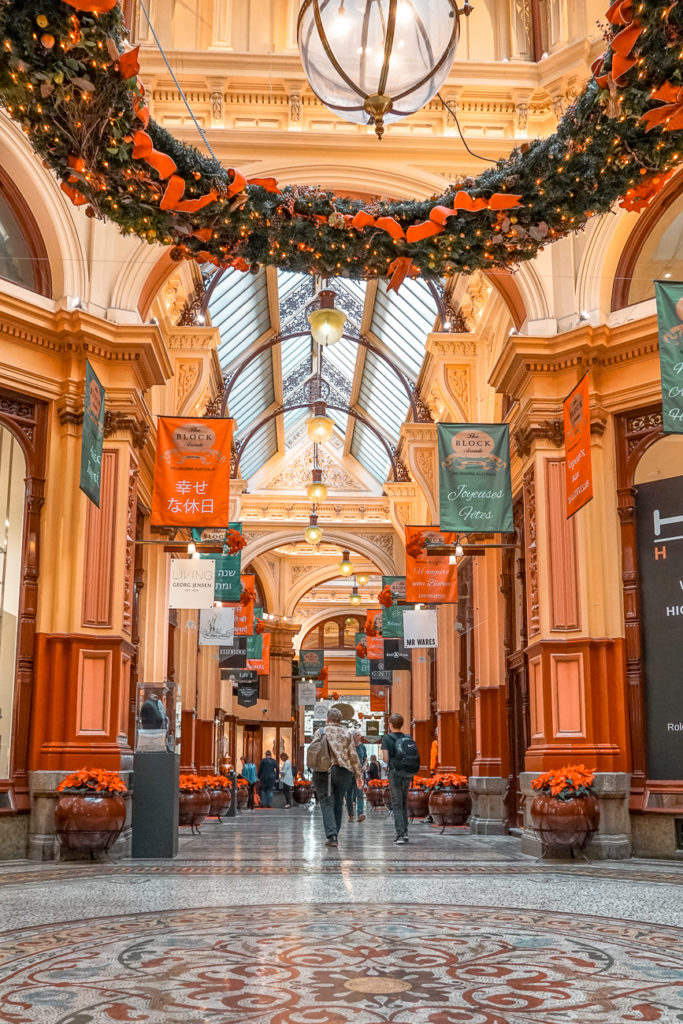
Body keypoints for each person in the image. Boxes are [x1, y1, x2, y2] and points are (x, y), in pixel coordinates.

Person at [309, 708, 363, 848]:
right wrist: (358, 776)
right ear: (340, 720)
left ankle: (332, 836)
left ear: (327, 719)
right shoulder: (347, 734)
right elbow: (353, 756)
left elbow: (314, 751)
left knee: (326, 803)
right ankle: (335, 835)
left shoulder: (320, 732)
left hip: (323, 771)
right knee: (338, 802)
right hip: (343, 772)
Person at [381, 712, 421, 844]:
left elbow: (386, 758)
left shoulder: (387, 738)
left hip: (395, 773)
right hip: (408, 772)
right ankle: (406, 833)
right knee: (404, 802)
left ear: (390, 725)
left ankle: (400, 834)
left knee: (396, 803)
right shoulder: (407, 737)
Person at [346, 730, 368, 823]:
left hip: (359, 774)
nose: (359, 736)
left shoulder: (362, 746)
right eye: (357, 735)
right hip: (349, 773)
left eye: (359, 735)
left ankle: (360, 814)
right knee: (349, 795)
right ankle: (351, 814)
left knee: (359, 794)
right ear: (352, 736)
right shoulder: (348, 747)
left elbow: (365, 759)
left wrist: (365, 765)